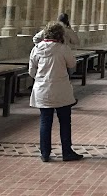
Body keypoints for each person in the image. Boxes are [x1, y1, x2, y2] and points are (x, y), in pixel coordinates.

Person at [29, 21, 83, 162]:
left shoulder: (37, 49)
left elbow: (31, 71)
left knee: (45, 121)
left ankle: (45, 153)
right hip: (61, 89)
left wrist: (41, 80)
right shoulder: (63, 49)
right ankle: (67, 152)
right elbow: (72, 64)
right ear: (61, 34)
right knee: (65, 121)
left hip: (42, 90)